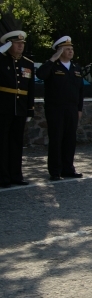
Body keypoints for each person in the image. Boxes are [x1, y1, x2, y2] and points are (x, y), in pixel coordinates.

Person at [36, 36, 84, 180]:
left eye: (72, 49)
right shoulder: (53, 66)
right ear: (60, 51)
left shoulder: (76, 68)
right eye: (67, 49)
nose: (71, 51)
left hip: (72, 109)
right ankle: (55, 171)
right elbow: (40, 74)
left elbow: (80, 91)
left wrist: (79, 109)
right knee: (56, 139)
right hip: (55, 109)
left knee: (70, 140)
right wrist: (52, 59)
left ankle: (68, 169)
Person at [0, 30, 35, 187]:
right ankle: (3, 177)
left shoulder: (27, 63)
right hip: (3, 107)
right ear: (9, 45)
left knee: (16, 143)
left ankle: (16, 175)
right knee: (2, 143)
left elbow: (30, 89)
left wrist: (29, 109)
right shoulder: (2, 60)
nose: (21, 46)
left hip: (20, 108)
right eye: (17, 43)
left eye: (22, 43)